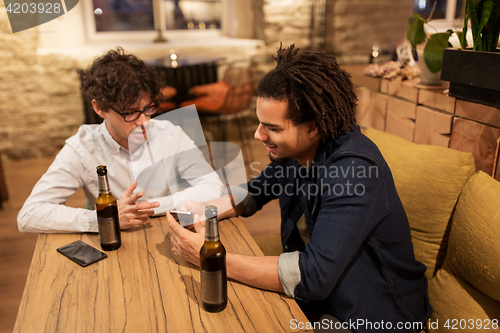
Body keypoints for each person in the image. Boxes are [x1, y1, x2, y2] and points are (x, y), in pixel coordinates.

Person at [168, 44, 432, 332]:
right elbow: (257, 190)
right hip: (323, 300)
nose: (259, 135)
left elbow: (313, 276)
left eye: (273, 128)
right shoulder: (298, 152)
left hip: (374, 315)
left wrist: (212, 258)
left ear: (314, 126)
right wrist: (205, 209)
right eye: (259, 122)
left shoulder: (353, 172)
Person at [18, 48, 224, 233]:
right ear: (99, 108)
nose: (144, 122)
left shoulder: (170, 134)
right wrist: (106, 218)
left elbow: (214, 186)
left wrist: (151, 207)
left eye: (148, 109)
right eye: (130, 113)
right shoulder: (82, 148)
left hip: (168, 233)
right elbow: (30, 214)